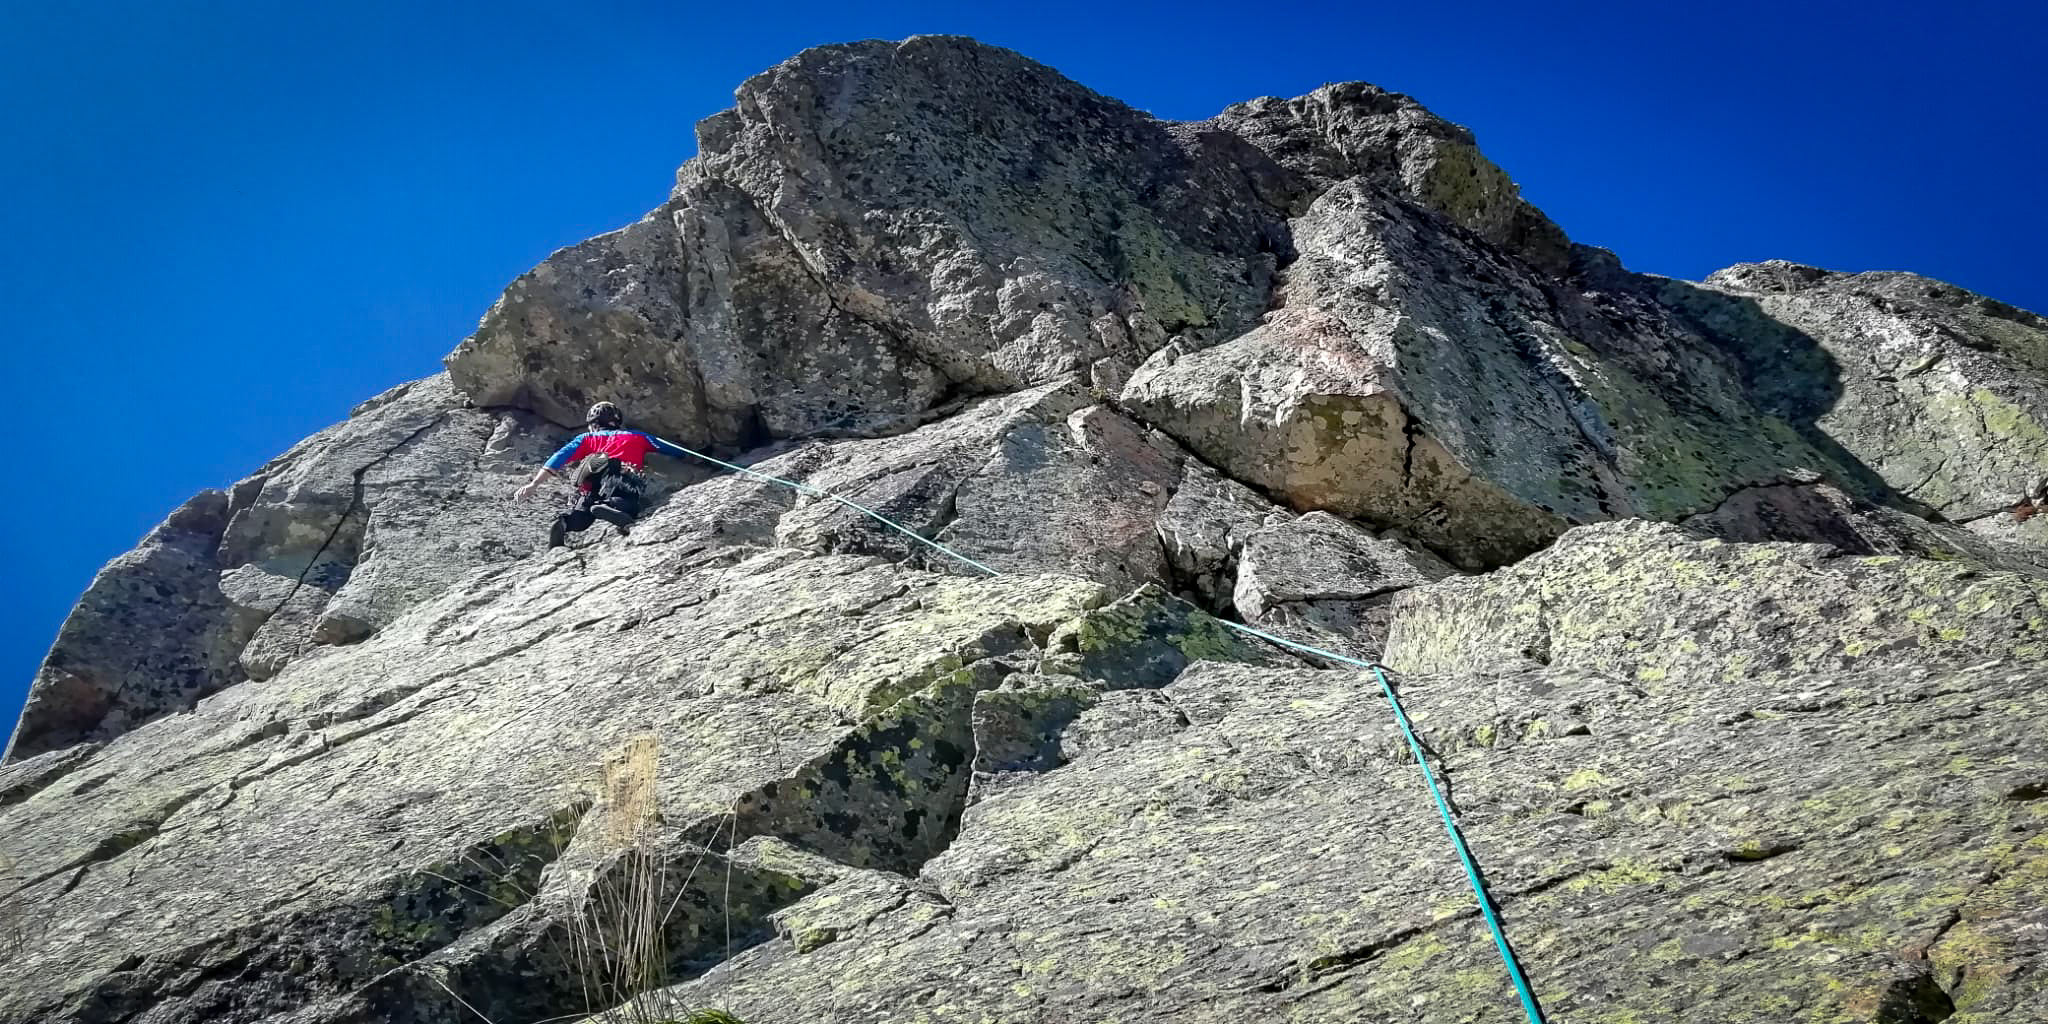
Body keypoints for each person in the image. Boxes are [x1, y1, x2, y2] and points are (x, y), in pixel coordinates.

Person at [514, 401, 696, 547]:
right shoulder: (636, 436)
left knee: (582, 515)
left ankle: (568, 521)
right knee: (626, 499)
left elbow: (558, 458)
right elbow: (669, 448)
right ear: (617, 422)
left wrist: (534, 484)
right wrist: (690, 456)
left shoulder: (585, 438)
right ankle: (615, 507)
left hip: (591, 483)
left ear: (593, 425)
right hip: (622, 479)